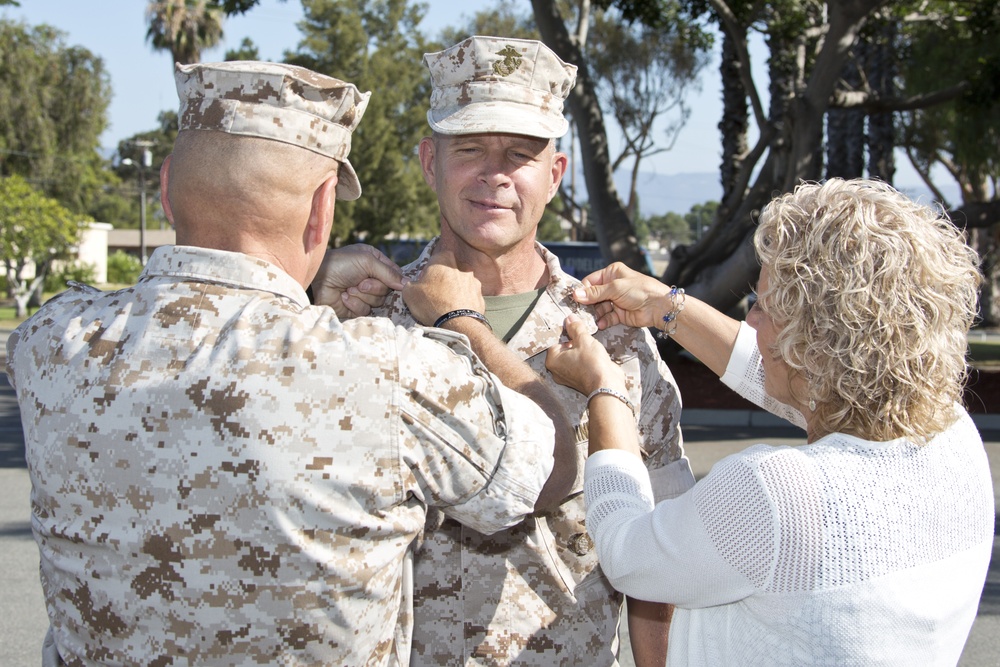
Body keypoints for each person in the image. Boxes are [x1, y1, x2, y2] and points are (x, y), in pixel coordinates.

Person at [6, 60, 575, 667]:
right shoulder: (389, 370)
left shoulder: (49, 340)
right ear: (321, 209)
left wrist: (302, 303)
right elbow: (550, 472)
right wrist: (465, 325)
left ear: (167, 188)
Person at [314, 36, 694, 666]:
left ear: (555, 175)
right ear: (428, 161)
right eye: (469, 150)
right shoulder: (364, 321)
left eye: (520, 154)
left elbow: (663, 550)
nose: (494, 175)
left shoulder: (614, 337)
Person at [545, 178, 994, 665]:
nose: (750, 321)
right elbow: (786, 375)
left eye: (764, 306)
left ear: (814, 341)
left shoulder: (779, 494)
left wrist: (605, 390)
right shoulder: (954, 438)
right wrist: (665, 305)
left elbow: (629, 554)